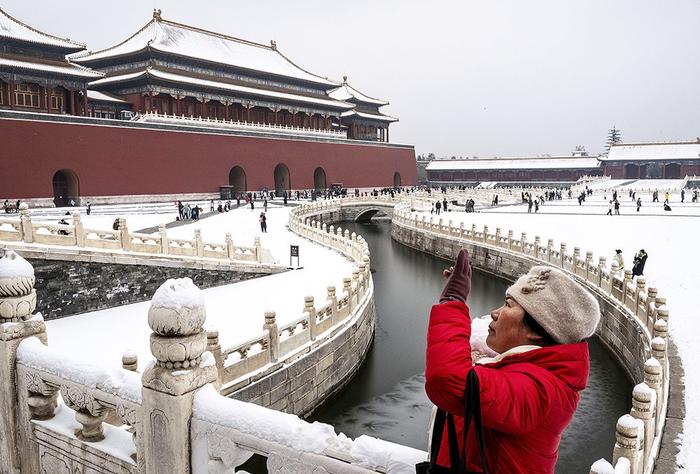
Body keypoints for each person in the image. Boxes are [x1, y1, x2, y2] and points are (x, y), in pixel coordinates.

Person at [425, 250, 599, 472]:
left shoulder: (541, 390)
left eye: (508, 305)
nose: (495, 313)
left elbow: (449, 382)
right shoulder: (523, 371)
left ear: (537, 331)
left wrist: (453, 301)